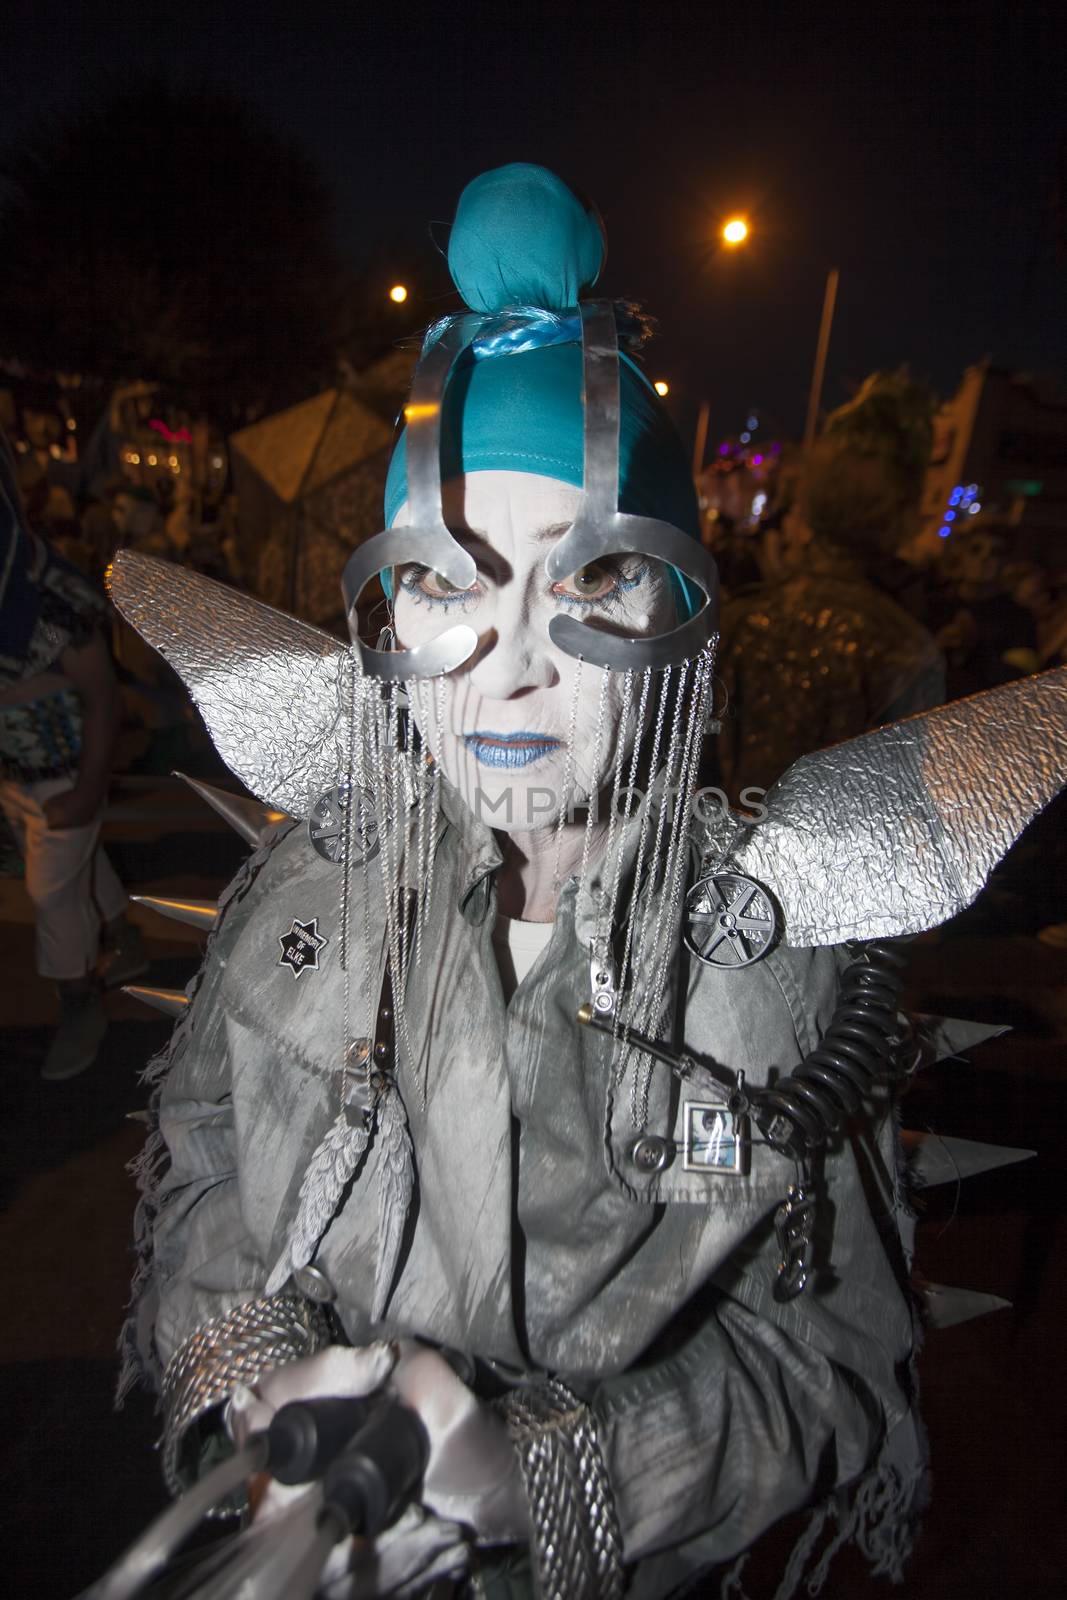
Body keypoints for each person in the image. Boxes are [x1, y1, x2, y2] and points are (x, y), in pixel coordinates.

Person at [104, 167, 1065, 1600]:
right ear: (387, 609)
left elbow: (825, 1365)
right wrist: (253, 1393)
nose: (511, 658)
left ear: (675, 615)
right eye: (446, 582)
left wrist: (554, 1471)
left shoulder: (770, 959)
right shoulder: (305, 895)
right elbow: (204, 1176)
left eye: (589, 580)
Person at [0, 426, 145, 1079]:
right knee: (75, 870)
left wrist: (87, 791)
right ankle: (126, 934)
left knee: (52, 893)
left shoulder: (49, 598)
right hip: (16, 781)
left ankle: (80, 1002)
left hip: (64, 779)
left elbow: (104, 701)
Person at [717, 444, 944, 799]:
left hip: (733, 837)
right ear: (895, 523)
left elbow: (701, 754)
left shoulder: (743, 618)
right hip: (841, 847)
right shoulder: (904, 646)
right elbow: (901, 790)